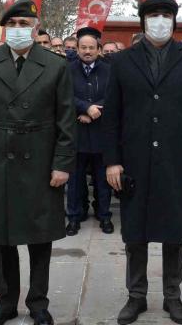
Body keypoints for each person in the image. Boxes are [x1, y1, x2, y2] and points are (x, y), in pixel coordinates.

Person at [0, 0, 77, 325]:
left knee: (40, 237)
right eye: (11, 25)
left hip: (41, 161)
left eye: (24, 25)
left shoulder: (55, 65)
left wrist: (62, 163)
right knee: (3, 236)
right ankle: (6, 302)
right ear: (3, 29)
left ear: (36, 27)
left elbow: (65, 121)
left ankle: (38, 302)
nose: (17, 31)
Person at [103, 0, 182, 325]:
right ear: (143, 21)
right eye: (154, 15)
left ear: (174, 21)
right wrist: (112, 161)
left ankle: (172, 296)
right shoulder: (122, 61)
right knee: (134, 231)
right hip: (134, 160)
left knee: (174, 230)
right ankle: (136, 295)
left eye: (166, 15)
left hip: (177, 161)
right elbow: (112, 117)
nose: (160, 20)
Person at [66, 29, 114, 236]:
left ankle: (104, 216)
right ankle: (75, 217)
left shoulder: (109, 70)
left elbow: (114, 97)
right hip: (76, 133)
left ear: (98, 50)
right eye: (83, 47)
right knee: (75, 181)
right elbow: (64, 96)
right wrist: (85, 108)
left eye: (91, 48)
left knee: (103, 180)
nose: (87, 51)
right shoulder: (67, 70)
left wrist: (95, 111)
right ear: (77, 49)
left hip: (101, 134)